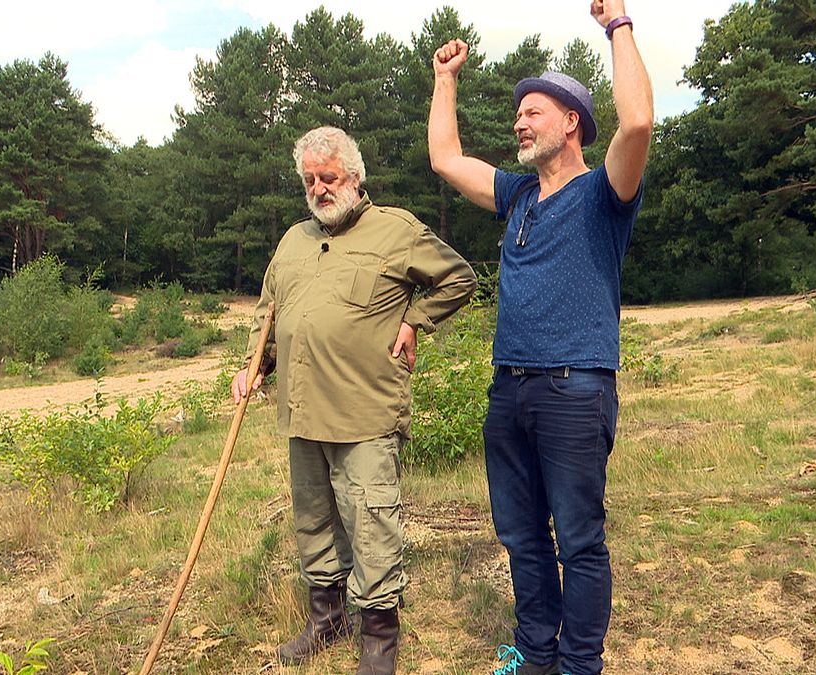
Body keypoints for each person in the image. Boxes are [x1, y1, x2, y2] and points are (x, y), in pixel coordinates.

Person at [427, 1, 653, 673]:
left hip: (575, 389)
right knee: (521, 537)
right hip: (510, 389)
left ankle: (579, 666)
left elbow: (638, 122)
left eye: (533, 111)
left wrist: (618, 26)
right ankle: (535, 655)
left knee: (578, 542)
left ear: (571, 122)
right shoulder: (519, 195)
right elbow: (445, 157)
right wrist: (445, 80)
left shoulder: (605, 193)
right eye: (517, 113)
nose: (519, 121)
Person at [231, 126, 476, 675]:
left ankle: (379, 639)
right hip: (302, 411)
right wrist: (254, 365)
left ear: (355, 177)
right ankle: (326, 620)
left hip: (365, 412)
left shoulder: (396, 230)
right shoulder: (292, 242)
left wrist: (415, 320)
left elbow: (458, 279)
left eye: (329, 177)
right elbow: (268, 311)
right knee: (314, 521)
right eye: (309, 180)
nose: (319, 189)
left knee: (371, 524)